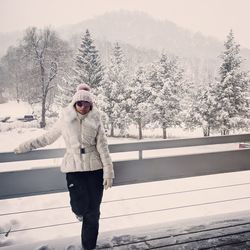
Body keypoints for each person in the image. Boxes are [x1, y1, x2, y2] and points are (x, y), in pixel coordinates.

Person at [14, 84, 115, 250]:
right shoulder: (65, 120)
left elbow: (103, 148)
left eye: (86, 103)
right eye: (79, 103)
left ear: (91, 105)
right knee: (80, 207)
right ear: (74, 104)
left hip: (95, 170)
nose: (83, 107)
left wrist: (108, 173)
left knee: (94, 212)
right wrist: (25, 146)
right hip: (74, 169)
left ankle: (88, 246)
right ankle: (79, 213)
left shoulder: (96, 121)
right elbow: (47, 138)